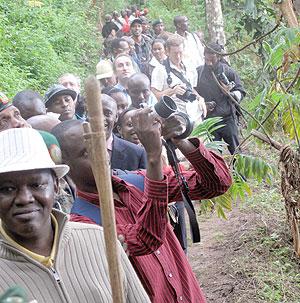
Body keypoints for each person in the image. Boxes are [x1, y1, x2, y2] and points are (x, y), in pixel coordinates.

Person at [52, 107, 232, 303]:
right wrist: (153, 157)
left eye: (100, 144)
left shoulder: (138, 182)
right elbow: (146, 237)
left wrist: (178, 139)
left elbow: (217, 183)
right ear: (65, 166)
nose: (101, 155)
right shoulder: (84, 225)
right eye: (86, 152)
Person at [0, 127, 150, 303]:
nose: (24, 199)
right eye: (7, 189)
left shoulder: (101, 240)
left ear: (56, 185)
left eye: (36, 185)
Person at [196, 43, 246, 154]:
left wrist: (231, 94)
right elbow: (194, 93)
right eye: (206, 56)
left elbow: (241, 91)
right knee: (214, 155)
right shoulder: (198, 72)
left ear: (219, 57)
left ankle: (239, 171)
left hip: (227, 119)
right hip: (209, 121)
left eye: (212, 56)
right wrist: (203, 103)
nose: (208, 59)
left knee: (236, 152)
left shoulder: (228, 71)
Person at [151, 35, 207, 123]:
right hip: (177, 119)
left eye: (180, 53)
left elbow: (192, 89)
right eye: (175, 53)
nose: (178, 56)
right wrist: (172, 91)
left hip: (195, 115)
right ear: (167, 51)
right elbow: (154, 96)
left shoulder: (190, 66)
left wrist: (200, 98)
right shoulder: (160, 70)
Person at [174, 15, 204, 87]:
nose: (188, 23)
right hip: (188, 75)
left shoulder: (193, 36)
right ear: (178, 25)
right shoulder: (174, 40)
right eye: (185, 21)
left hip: (201, 71)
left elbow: (201, 52)